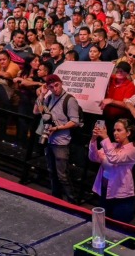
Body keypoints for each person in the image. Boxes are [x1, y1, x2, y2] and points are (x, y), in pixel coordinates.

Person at [34, 74, 81, 203]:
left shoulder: (69, 100)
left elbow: (74, 122)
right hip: (49, 139)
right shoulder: (48, 98)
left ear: (61, 83)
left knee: (62, 175)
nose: (55, 89)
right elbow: (36, 111)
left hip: (61, 141)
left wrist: (57, 128)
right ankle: (56, 198)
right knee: (51, 171)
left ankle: (73, 202)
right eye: (51, 87)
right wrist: (42, 95)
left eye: (57, 85)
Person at [89, 118, 135, 222]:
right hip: (105, 191)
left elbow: (114, 158)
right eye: (114, 130)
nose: (115, 133)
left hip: (121, 195)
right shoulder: (112, 145)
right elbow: (93, 157)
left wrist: (105, 137)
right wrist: (94, 139)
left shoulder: (132, 150)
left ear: (128, 132)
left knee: (118, 227)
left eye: (119, 130)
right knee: (103, 223)